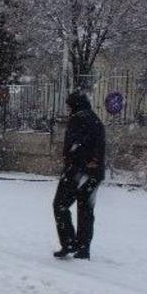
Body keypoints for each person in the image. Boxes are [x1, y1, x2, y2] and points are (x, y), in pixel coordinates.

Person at [53, 91, 106, 260]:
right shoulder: (96, 120)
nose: (67, 108)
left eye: (69, 105)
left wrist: (76, 163)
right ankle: (83, 248)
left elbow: (76, 147)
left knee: (60, 205)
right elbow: (98, 146)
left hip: (77, 172)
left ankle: (68, 242)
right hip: (94, 174)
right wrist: (94, 162)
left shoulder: (78, 119)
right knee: (86, 210)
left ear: (74, 105)